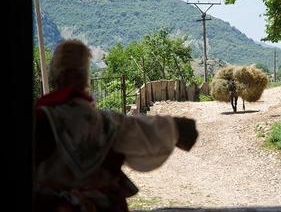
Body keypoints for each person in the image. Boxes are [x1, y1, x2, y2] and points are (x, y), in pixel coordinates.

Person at [33, 39, 198, 212]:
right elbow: (149, 129)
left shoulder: (40, 119)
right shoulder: (109, 123)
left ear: (54, 76)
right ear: (85, 78)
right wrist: (177, 127)